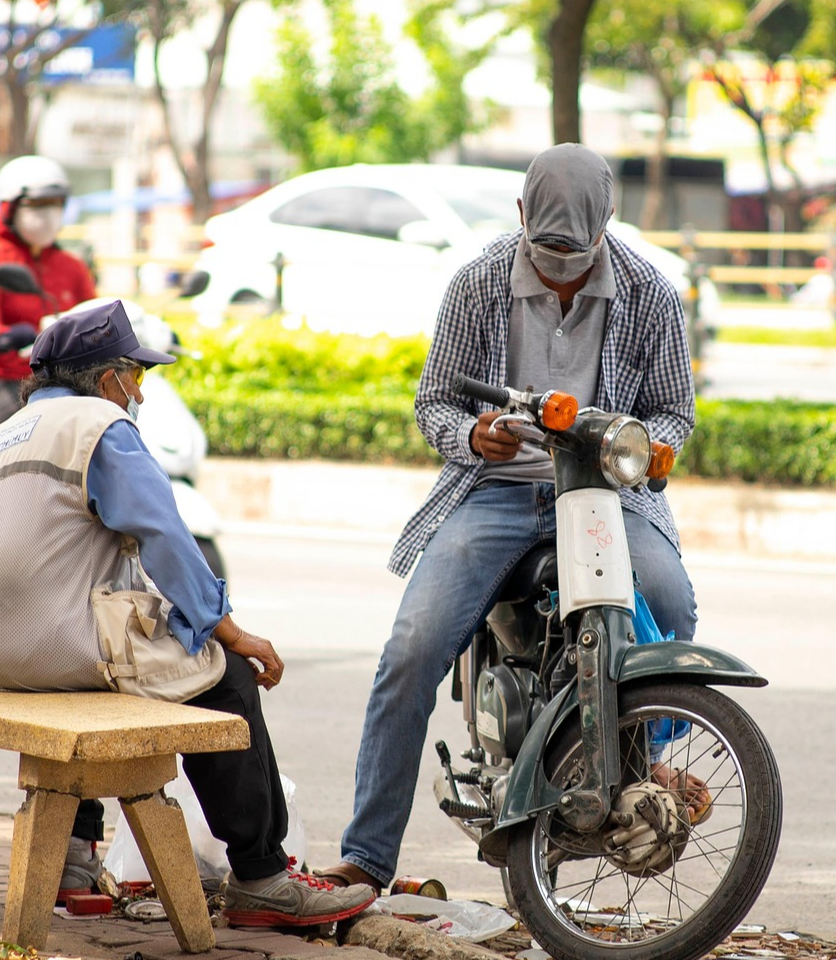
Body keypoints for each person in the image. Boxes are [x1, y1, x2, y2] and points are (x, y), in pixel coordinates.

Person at [0, 300, 377, 926]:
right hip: (41, 648)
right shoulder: (102, 428)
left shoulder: (0, 433)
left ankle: (76, 857)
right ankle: (263, 874)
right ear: (108, 379)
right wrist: (232, 633)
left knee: (87, 669)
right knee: (224, 676)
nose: (139, 393)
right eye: (137, 377)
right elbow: (166, 539)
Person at [316, 143, 699, 892]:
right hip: (495, 491)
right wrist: (470, 436)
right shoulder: (478, 282)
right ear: (520, 215)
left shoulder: (651, 293)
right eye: (545, 247)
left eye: (576, 252)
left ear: (609, 224)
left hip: (605, 496)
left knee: (674, 601)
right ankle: (367, 858)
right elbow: (434, 402)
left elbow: (673, 411)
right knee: (409, 653)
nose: (560, 264)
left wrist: (653, 450)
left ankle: (638, 770)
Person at [0, 154, 97, 430]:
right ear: (10, 209)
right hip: (6, 381)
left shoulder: (72, 267)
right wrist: (5, 336)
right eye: (38, 205)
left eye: (56, 204)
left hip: (64, 384)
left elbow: (96, 315)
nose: (48, 215)